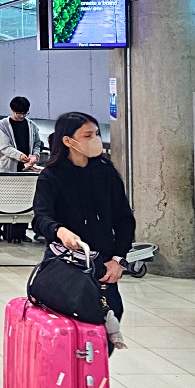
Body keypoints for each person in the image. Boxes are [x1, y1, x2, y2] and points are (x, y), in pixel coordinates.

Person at [32, 112, 135, 352]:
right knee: (67, 331)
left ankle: (93, 383)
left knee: (105, 325)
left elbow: (124, 219)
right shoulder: (52, 176)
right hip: (64, 263)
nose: (94, 139)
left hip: (103, 265)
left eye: (96, 134)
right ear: (68, 141)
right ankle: (66, 383)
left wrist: (118, 259)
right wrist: (60, 231)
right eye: (87, 135)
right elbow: (41, 218)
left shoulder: (105, 172)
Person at [0, 95, 43, 173]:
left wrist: (35, 155)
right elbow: (5, 147)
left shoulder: (32, 125)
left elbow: (37, 143)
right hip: (8, 168)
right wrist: (19, 156)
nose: (22, 116)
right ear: (12, 110)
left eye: (25, 113)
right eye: (19, 113)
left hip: (28, 167)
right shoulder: (3, 124)